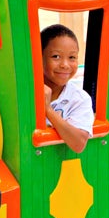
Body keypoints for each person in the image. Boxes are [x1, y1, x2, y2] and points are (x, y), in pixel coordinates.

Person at [41, 24, 94, 153]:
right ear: (38, 57)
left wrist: (47, 109)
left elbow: (79, 143)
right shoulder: (25, 89)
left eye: (72, 57)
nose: (65, 65)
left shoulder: (79, 99)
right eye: (56, 56)